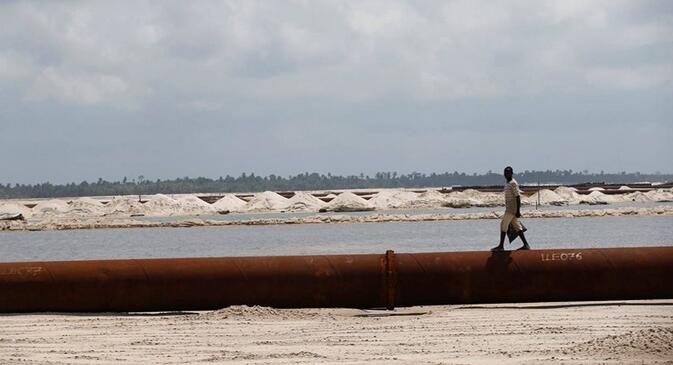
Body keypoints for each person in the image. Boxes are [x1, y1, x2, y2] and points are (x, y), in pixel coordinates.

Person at [491, 166, 530, 251]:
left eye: (508, 173)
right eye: (505, 173)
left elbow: (518, 197)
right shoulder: (508, 183)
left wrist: (518, 211)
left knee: (503, 225)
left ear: (511, 173)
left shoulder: (513, 183)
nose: (506, 174)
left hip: (511, 209)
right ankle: (526, 245)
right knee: (517, 226)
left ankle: (501, 246)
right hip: (510, 208)